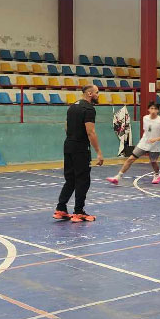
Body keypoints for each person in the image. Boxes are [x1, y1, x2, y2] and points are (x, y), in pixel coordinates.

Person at [55, 85, 104, 222]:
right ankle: (78, 212)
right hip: (80, 148)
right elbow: (90, 132)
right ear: (89, 93)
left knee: (70, 179)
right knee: (83, 179)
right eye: (97, 93)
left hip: (68, 145)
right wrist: (99, 152)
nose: (98, 95)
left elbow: (66, 126)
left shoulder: (72, 107)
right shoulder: (88, 109)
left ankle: (61, 208)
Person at [107, 102, 160, 185]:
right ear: (148, 109)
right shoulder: (145, 118)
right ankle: (117, 177)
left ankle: (157, 175)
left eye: (155, 109)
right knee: (130, 159)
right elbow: (147, 131)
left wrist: (156, 139)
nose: (153, 110)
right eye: (151, 108)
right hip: (143, 144)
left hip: (155, 146)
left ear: (158, 110)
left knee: (153, 162)